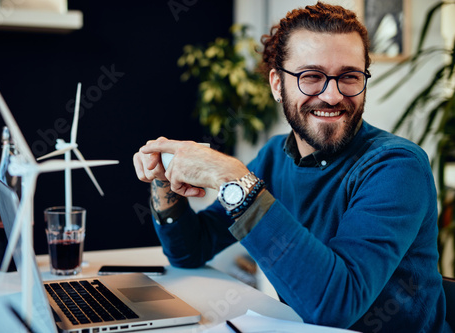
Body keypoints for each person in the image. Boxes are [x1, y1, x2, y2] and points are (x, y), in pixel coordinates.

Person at [133, 2, 451, 332]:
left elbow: (336, 305)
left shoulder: (396, 167)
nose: (331, 95)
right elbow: (189, 251)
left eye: (350, 77)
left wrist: (232, 177)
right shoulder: (275, 156)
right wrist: (163, 177)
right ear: (276, 84)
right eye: (311, 76)